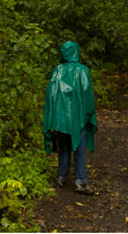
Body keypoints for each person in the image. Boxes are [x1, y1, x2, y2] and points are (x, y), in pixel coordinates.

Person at [42, 41, 97, 195]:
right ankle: (81, 181)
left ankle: (61, 176)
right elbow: (87, 94)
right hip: (77, 117)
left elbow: (51, 95)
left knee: (63, 146)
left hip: (60, 118)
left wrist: (53, 116)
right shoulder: (82, 71)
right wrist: (89, 114)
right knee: (78, 147)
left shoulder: (57, 71)